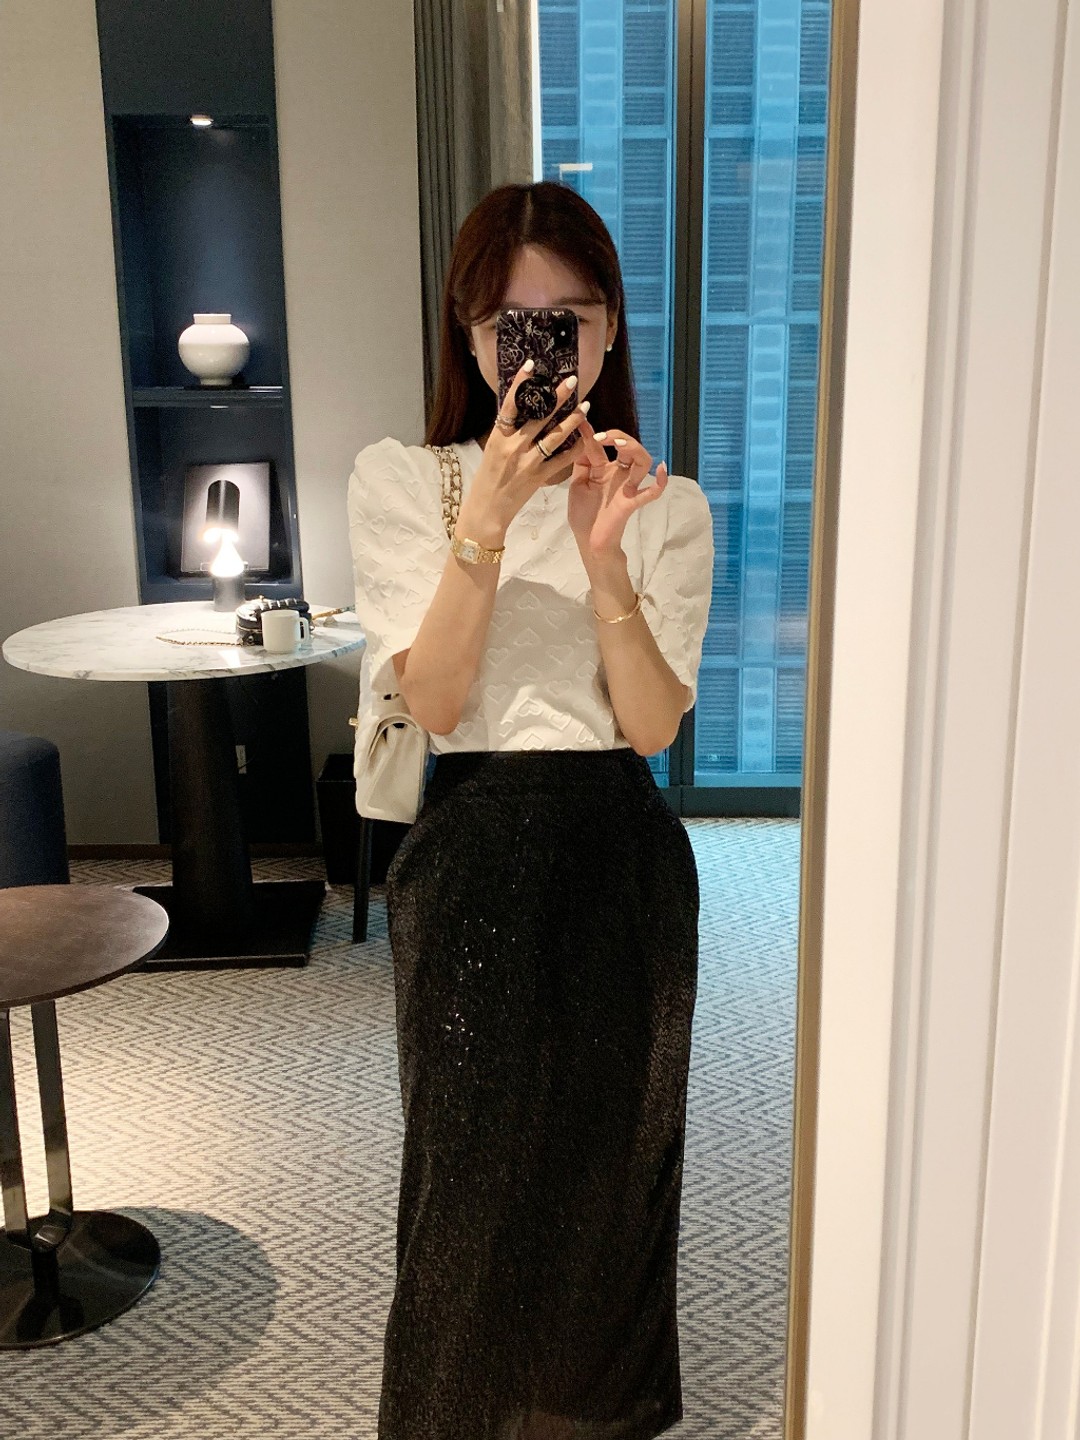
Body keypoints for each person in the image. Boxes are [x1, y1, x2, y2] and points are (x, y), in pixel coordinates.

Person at [347, 181, 714, 1440]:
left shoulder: (664, 505)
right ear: (470, 336)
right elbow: (438, 700)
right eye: (514, 323)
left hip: (620, 851)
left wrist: (604, 557)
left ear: (608, 333)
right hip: (474, 846)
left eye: (570, 318)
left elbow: (652, 726)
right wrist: (492, 522)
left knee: (613, 1171)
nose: (541, 347)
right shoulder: (407, 483)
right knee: (470, 1181)